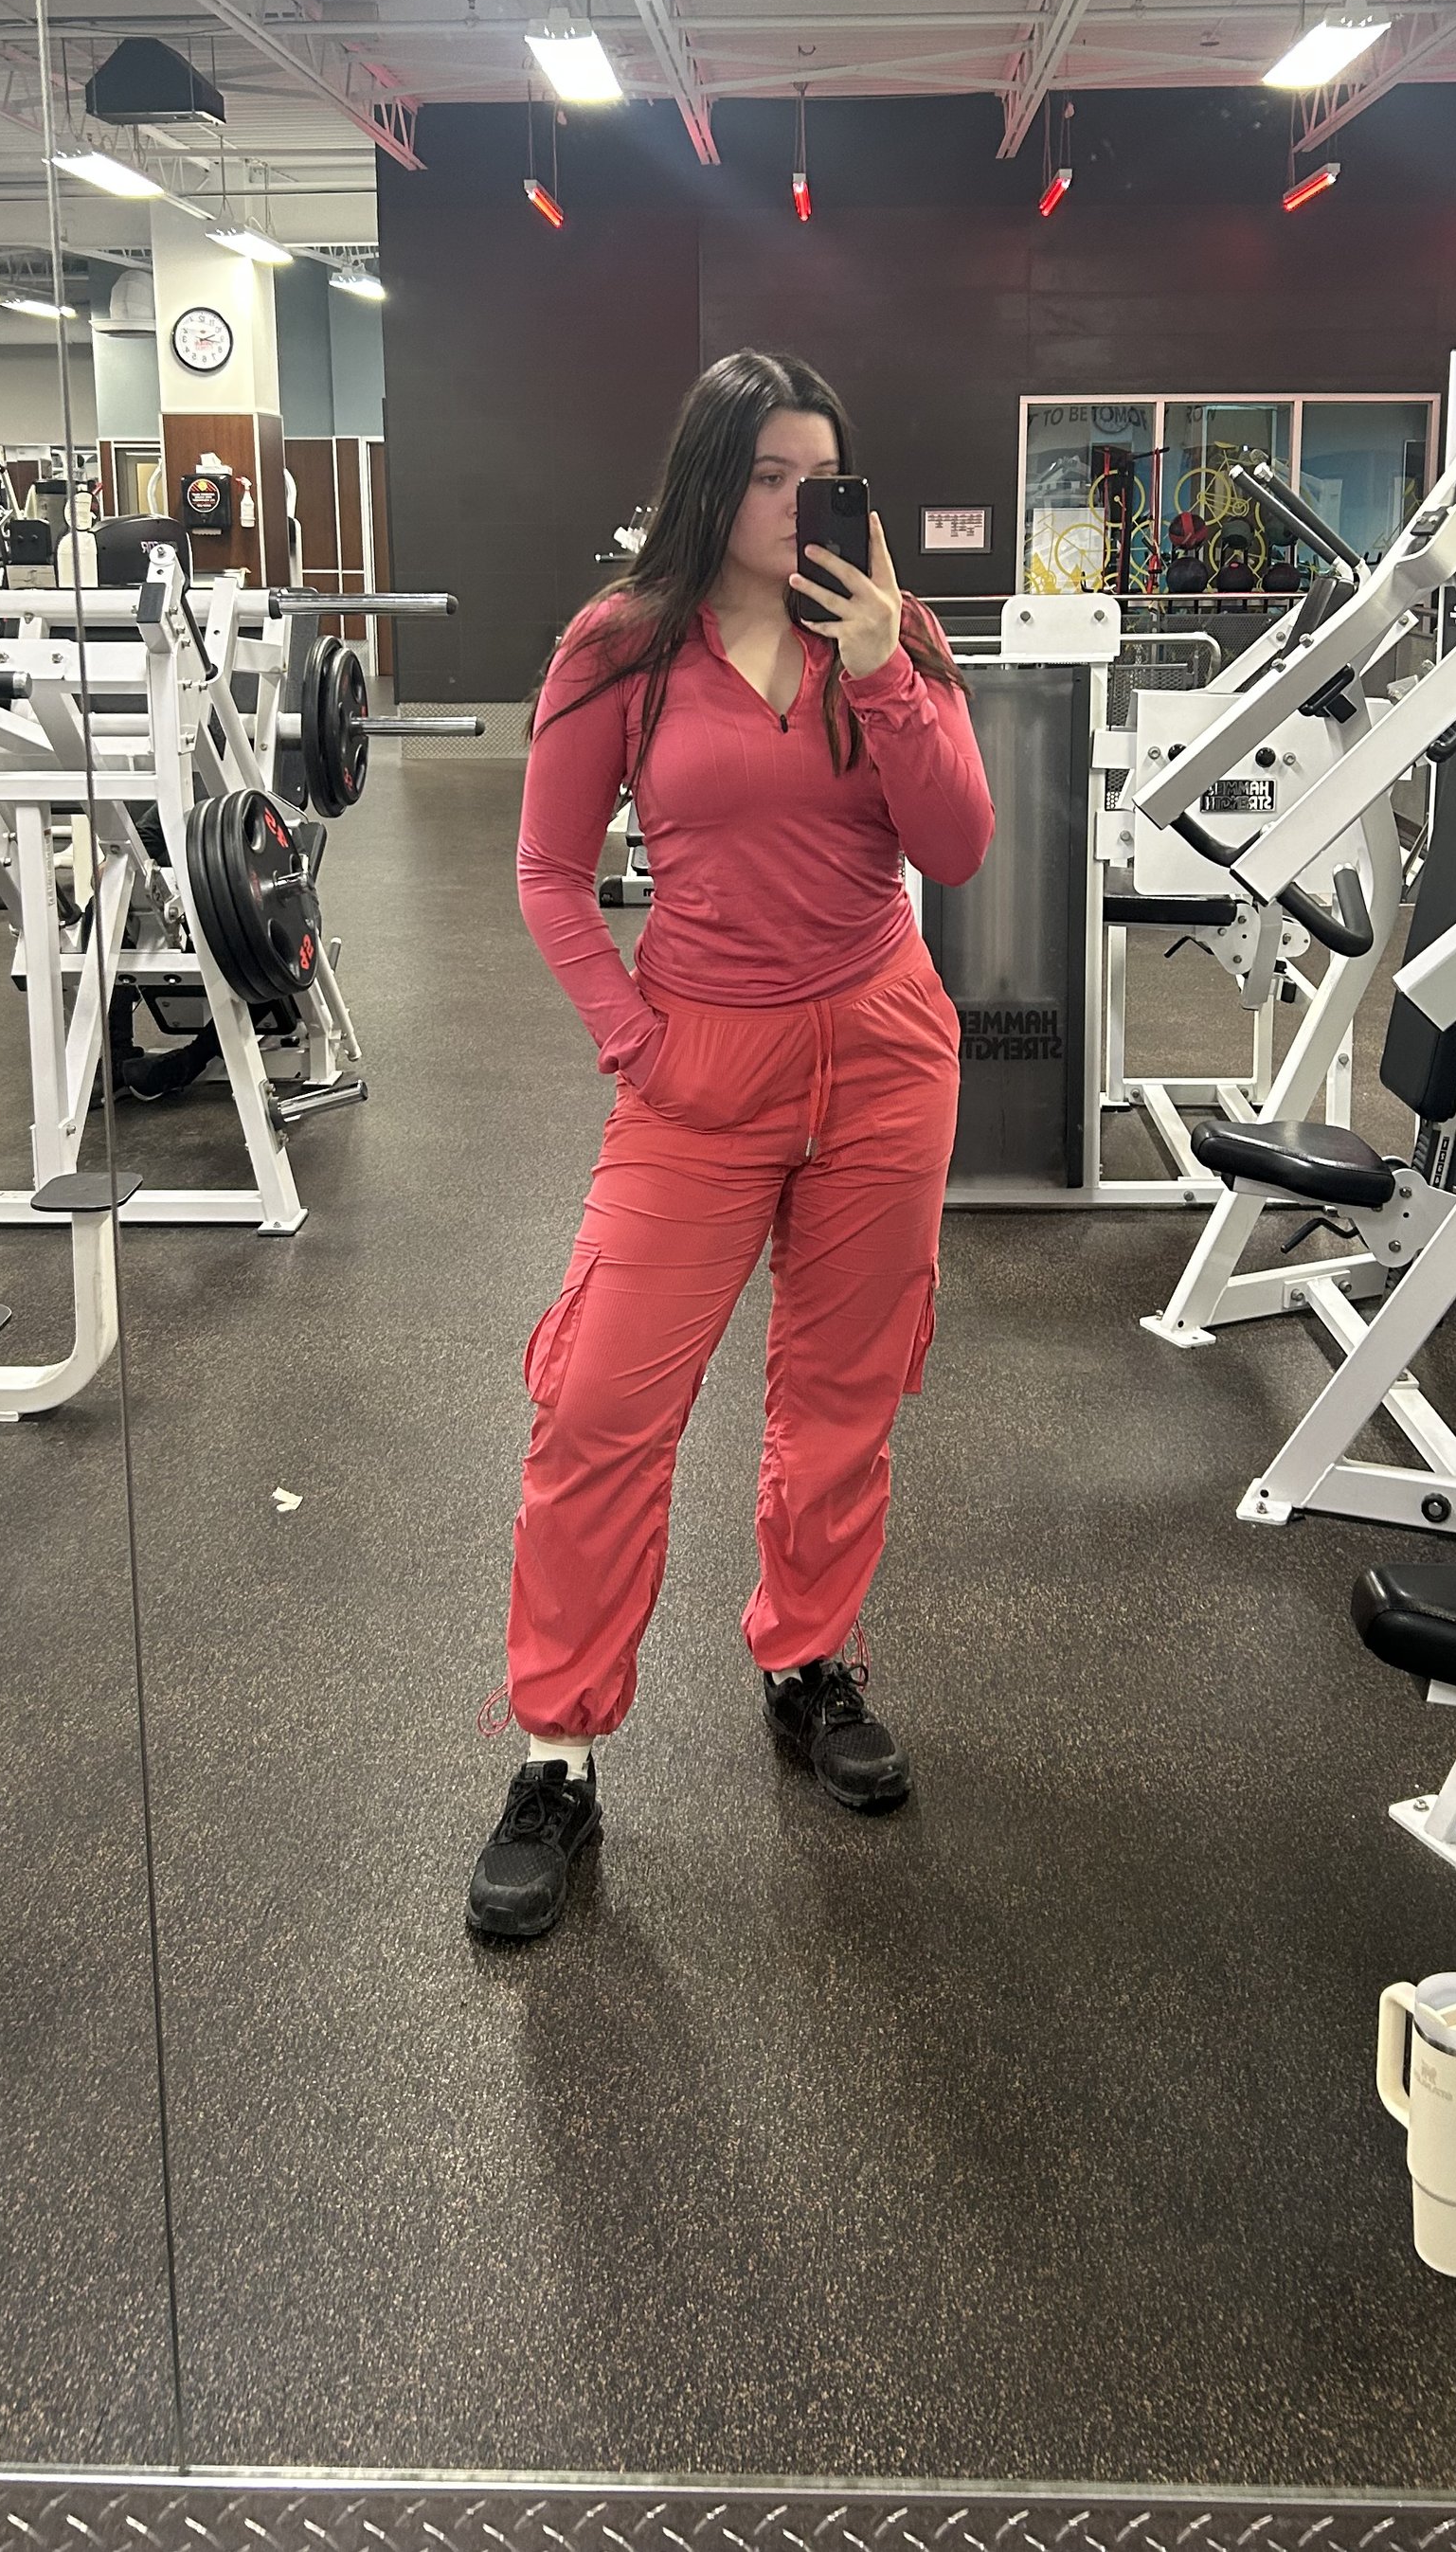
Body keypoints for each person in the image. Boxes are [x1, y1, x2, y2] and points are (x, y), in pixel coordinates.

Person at [467, 350, 996, 1941]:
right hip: (697, 1069)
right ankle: (557, 1753)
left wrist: (886, 658)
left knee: (843, 1392)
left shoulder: (891, 639)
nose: (794, 505)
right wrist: (636, 1039)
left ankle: (808, 1658)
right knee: (599, 1408)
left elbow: (957, 845)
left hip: (886, 1053)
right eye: (766, 475)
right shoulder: (621, 644)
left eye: (821, 476)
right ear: (710, 481)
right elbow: (552, 871)